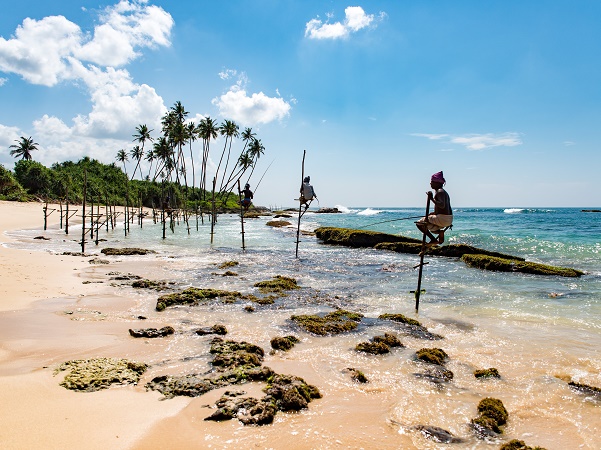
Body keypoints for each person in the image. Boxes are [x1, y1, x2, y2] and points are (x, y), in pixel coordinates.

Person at [416, 171, 453, 245]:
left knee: (419, 223)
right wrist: (434, 213)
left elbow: (442, 205)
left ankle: (433, 240)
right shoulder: (444, 192)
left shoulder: (440, 191)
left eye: (432, 181)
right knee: (429, 226)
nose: (430, 183)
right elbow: (445, 208)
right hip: (448, 219)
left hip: (442, 219)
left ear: (437, 183)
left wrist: (431, 198)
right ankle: (440, 232)